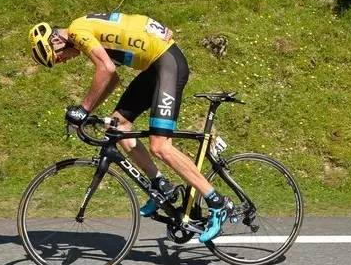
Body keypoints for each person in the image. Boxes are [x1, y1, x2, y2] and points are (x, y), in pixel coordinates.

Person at [28, 12, 232, 242]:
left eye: (57, 56)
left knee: (161, 146)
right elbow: (112, 79)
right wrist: (89, 112)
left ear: (56, 40)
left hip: (167, 64)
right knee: (118, 125)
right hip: (155, 67)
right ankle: (161, 185)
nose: (62, 60)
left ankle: (217, 202)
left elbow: (106, 69)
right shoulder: (87, 30)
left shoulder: (77, 31)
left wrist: (84, 109)